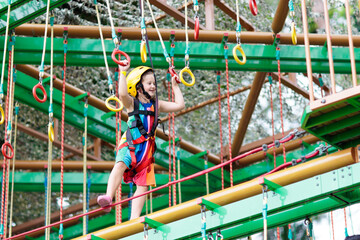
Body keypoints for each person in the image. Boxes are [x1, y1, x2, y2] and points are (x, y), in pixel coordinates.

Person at [97, 61, 185, 220]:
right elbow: (123, 94)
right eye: (149, 83)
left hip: (146, 151)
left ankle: (134, 217)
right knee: (120, 165)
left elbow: (180, 105)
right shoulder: (132, 104)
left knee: (143, 185)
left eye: (154, 83)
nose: (153, 86)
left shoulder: (156, 105)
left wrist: (175, 86)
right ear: (138, 87)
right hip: (130, 144)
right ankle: (109, 197)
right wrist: (123, 73)